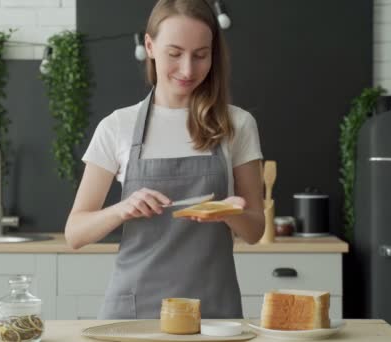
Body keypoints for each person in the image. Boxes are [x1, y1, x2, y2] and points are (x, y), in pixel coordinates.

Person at [65, 0, 264, 319]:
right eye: (175, 53)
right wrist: (121, 209)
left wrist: (228, 212)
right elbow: (75, 233)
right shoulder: (117, 126)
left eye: (201, 55)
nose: (188, 69)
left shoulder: (237, 124)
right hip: (134, 310)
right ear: (150, 45)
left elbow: (254, 230)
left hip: (211, 311)